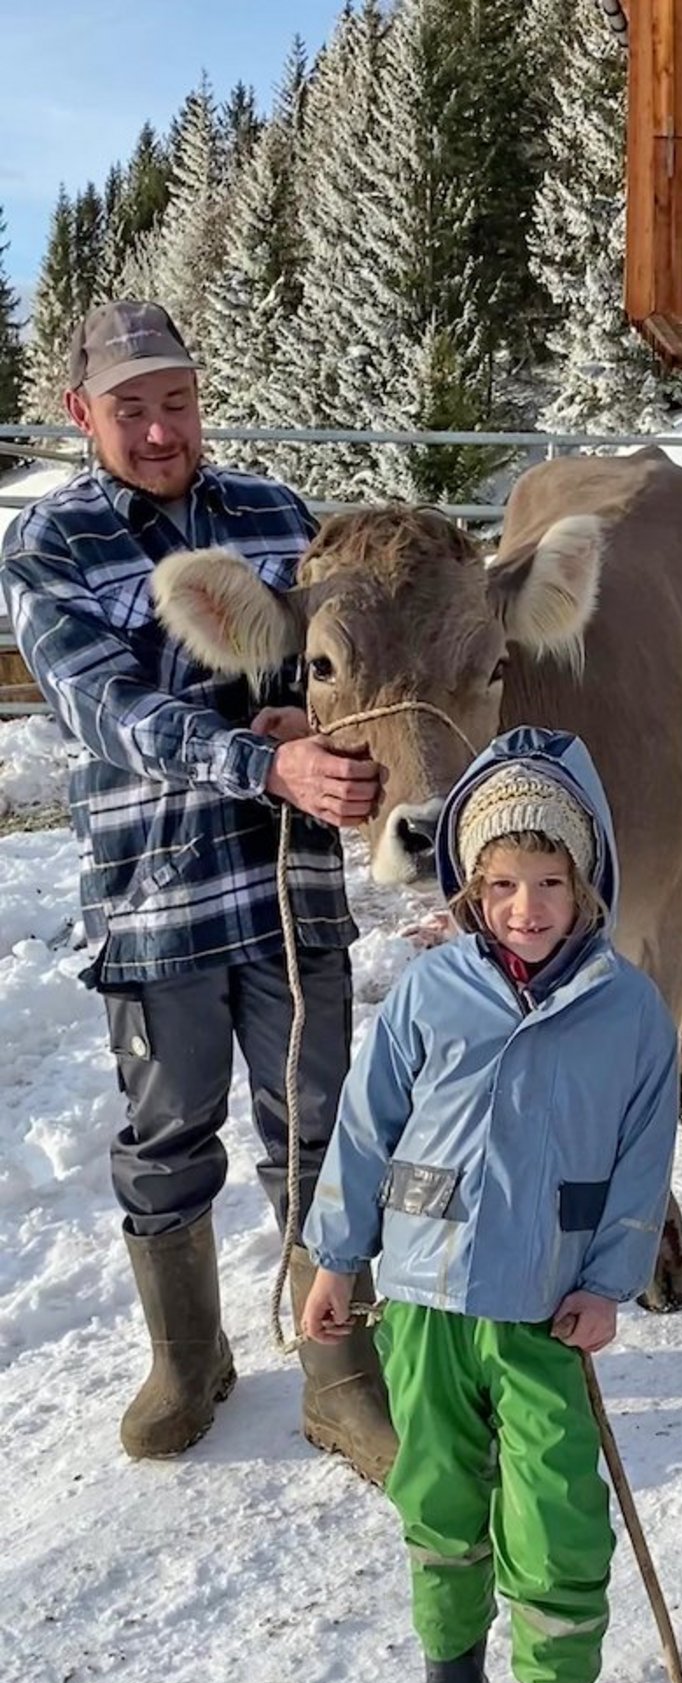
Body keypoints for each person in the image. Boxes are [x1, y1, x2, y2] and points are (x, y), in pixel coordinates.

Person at [0, 299, 397, 1481]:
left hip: (286, 879)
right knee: (168, 1124)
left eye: (176, 400)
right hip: (154, 891)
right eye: (131, 409)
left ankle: (340, 1375)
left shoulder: (277, 515)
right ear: (81, 414)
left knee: (318, 1119)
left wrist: (309, 720)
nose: (161, 429)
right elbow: (102, 707)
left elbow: (333, 666)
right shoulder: (49, 545)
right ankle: (188, 1358)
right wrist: (255, 758)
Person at [300, 728, 678, 1683]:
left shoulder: (627, 1011)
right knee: (436, 1488)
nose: (526, 906)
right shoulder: (429, 993)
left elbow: (643, 1159)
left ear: (586, 881)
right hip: (424, 1293)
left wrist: (608, 1280)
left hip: (545, 1301)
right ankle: (451, 1672)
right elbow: (364, 1127)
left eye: (550, 881)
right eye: (502, 883)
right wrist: (336, 1258)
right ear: (470, 886)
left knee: (555, 1502)